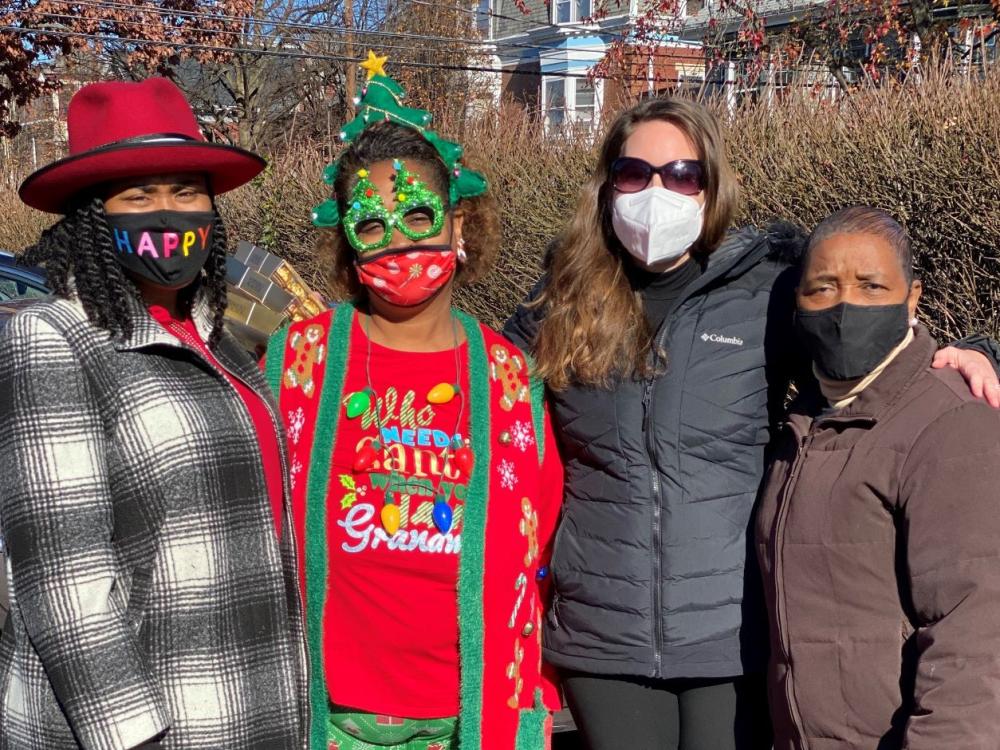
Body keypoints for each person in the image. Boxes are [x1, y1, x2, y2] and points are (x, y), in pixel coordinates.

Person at [503, 98, 1000, 750]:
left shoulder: (765, 292)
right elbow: (480, 385)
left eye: (682, 175)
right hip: (603, 634)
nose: (657, 192)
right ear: (607, 183)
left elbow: (864, 344)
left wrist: (971, 352)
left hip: (732, 632)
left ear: (712, 187)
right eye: (635, 173)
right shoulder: (558, 301)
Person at [263, 56, 562, 750]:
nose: (400, 240)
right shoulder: (296, 364)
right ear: (346, 241)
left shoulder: (510, 379)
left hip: (468, 721)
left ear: (459, 227)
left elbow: (537, 544)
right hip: (326, 720)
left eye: (420, 215)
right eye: (372, 226)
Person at [0, 78, 307, 749]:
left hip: (257, 710)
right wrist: (133, 736)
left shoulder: (227, 346)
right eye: (138, 194)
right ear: (92, 214)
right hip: (150, 729)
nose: (168, 213)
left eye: (186, 190)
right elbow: (63, 581)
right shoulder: (55, 337)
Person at [755, 205, 1000, 749]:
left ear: (911, 299)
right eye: (822, 287)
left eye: (871, 286)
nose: (845, 306)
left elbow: (977, 639)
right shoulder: (803, 428)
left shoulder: (951, 422)